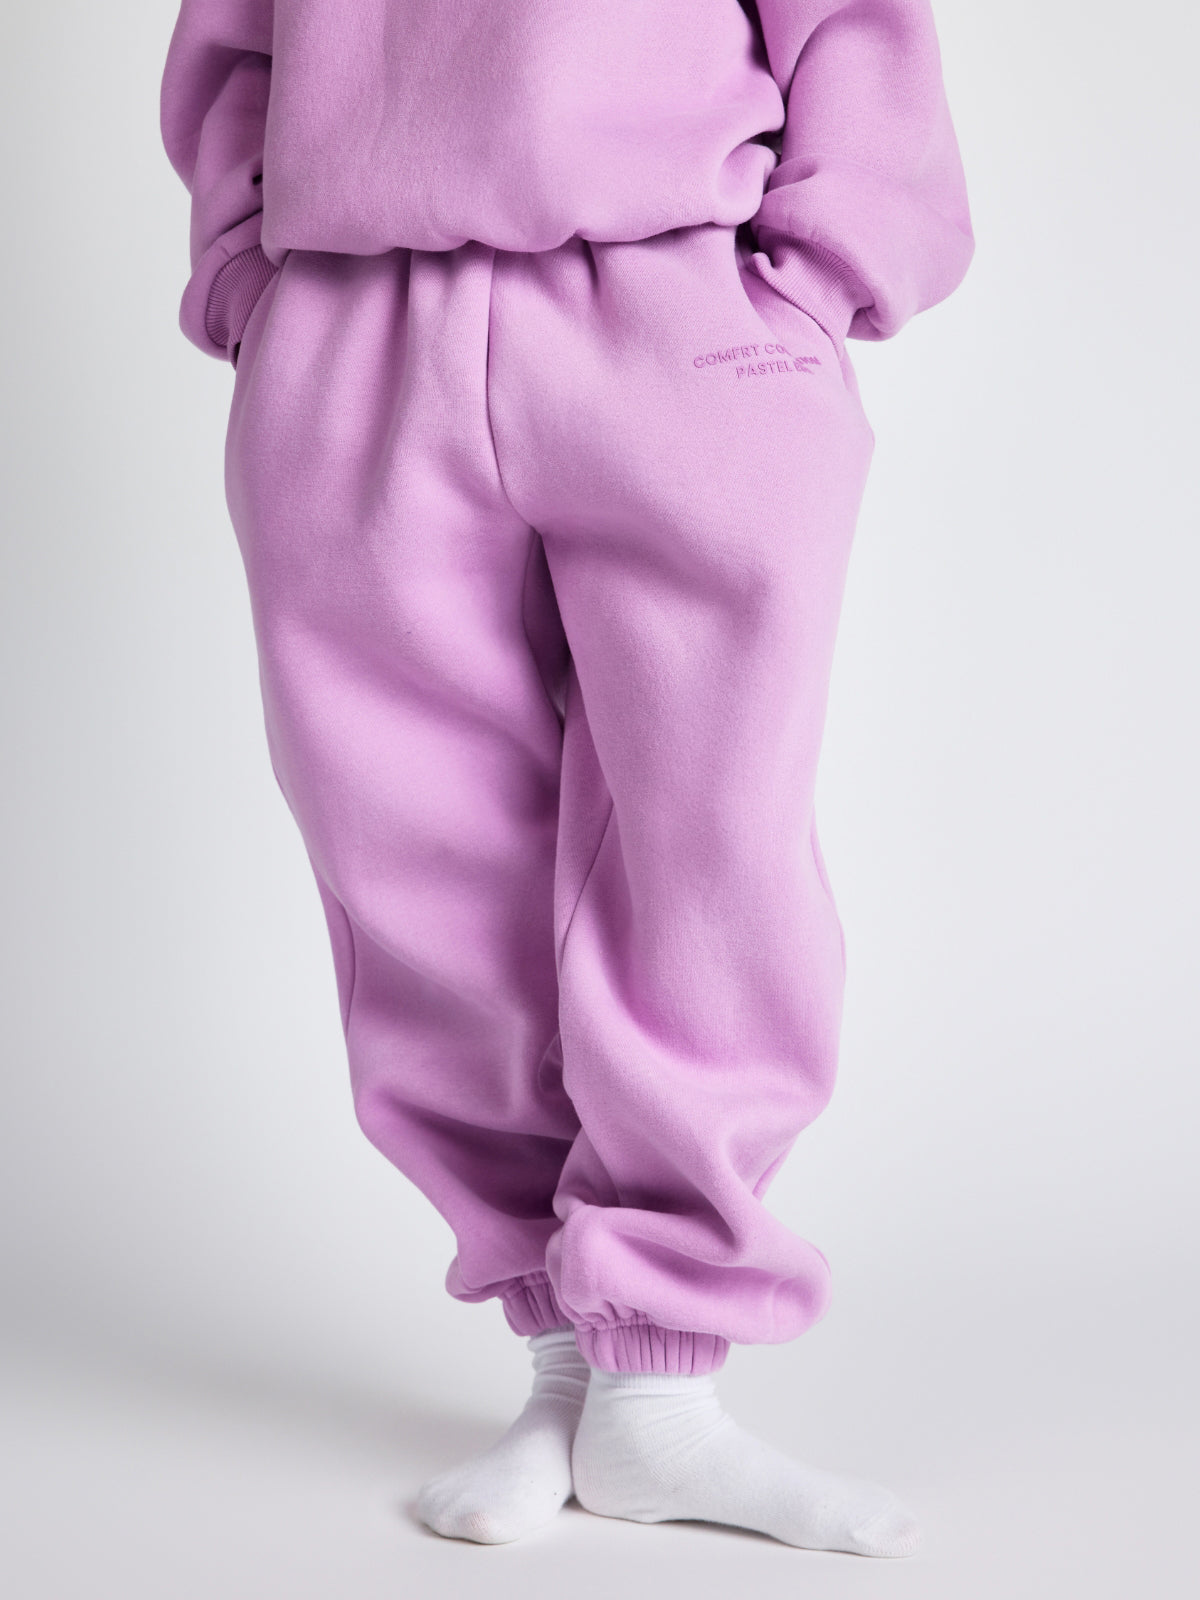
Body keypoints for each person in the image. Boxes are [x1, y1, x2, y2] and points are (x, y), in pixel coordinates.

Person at [161, 0, 973, 1554]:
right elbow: (239, 40)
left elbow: (857, 26)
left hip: (678, 298)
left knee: (706, 853)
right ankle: (571, 1368)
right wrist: (252, 276)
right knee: (408, 857)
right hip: (355, 310)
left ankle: (660, 1380)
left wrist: (816, 280)